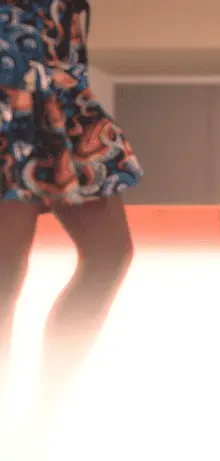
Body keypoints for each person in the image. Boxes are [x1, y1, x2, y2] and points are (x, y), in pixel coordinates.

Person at [0, 0, 143, 435]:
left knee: (109, 255)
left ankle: (42, 419)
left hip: (56, 57)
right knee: (4, 271)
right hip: (11, 56)